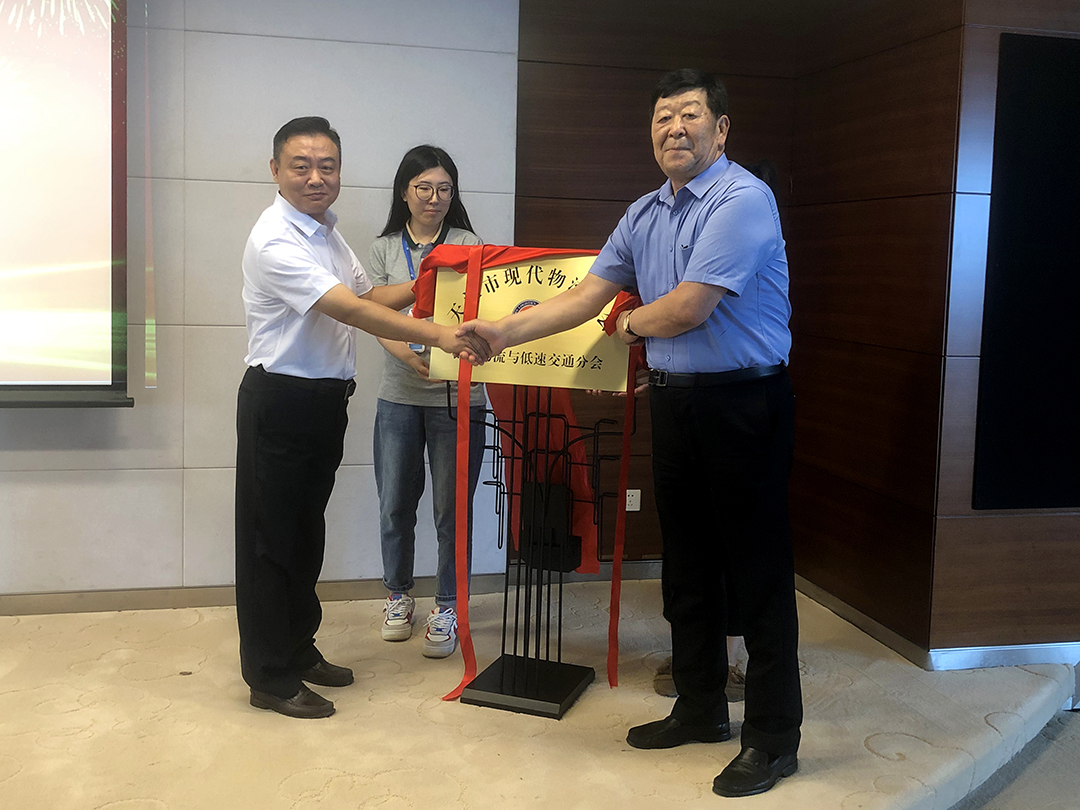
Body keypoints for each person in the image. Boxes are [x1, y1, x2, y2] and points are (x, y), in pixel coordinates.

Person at [459, 70, 801, 797]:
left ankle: (773, 739)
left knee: (757, 571)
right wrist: (502, 333)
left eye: (690, 115)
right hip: (676, 404)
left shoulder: (743, 199)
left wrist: (628, 324)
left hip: (746, 403)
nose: (675, 128)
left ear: (721, 129)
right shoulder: (643, 212)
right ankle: (701, 707)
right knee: (688, 565)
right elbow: (586, 294)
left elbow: (687, 308)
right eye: (663, 118)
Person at [235, 117, 488, 719]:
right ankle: (269, 676)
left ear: (340, 172)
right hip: (281, 401)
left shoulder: (327, 233)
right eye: (301, 166)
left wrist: (434, 279)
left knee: (305, 535)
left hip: (323, 403)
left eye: (327, 166)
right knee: (271, 542)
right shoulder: (275, 239)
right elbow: (349, 309)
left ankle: (298, 649)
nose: (315, 177)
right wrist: (439, 334)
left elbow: (372, 295)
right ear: (275, 170)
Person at [368, 146, 486, 658]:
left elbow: (481, 310)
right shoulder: (382, 248)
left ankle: (447, 605)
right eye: (424, 188)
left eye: (444, 189)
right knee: (395, 504)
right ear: (404, 192)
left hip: (459, 395)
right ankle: (398, 596)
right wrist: (408, 356)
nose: (434, 198)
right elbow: (372, 313)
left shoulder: (469, 244)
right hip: (399, 394)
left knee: (451, 511)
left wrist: (440, 359)